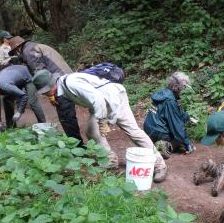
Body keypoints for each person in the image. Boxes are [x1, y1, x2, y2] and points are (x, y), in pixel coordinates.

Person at [32, 69, 168, 182]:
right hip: (104, 102)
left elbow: (97, 98)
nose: (45, 94)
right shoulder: (62, 87)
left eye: (45, 91)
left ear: (51, 85)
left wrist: (102, 121)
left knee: (133, 132)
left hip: (113, 98)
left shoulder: (71, 83)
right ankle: (111, 163)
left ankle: (159, 165)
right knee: (92, 131)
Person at [8, 36, 84, 146]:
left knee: (66, 116)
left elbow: (41, 75)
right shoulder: (34, 47)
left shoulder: (29, 51)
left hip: (59, 83)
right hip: (66, 78)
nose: (17, 54)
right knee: (67, 115)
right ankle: (77, 144)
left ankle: (77, 147)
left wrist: (50, 94)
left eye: (15, 51)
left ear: (18, 48)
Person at [143, 72, 196, 159]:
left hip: (148, 128)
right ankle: (164, 147)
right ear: (179, 87)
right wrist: (187, 143)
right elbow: (176, 124)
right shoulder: (169, 100)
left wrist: (188, 118)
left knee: (178, 135)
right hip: (158, 131)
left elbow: (177, 112)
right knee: (179, 139)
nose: (184, 89)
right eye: (184, 87)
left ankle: (152, 143)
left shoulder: (164, 93)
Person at [0, 64, 38, 132]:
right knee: (6, 99)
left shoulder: (5, 86)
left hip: (25, 75)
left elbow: (24, 96)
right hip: (13, 79)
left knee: (32, 101)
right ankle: (11, 126)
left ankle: (42, 123)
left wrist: (19, 112)